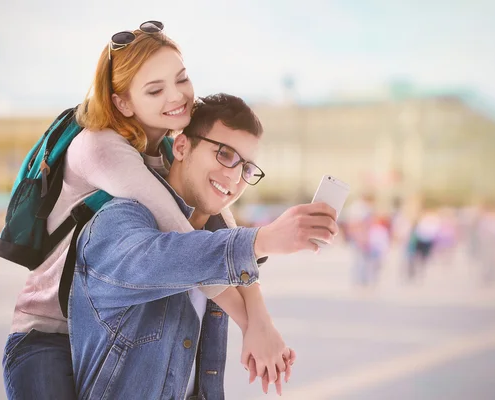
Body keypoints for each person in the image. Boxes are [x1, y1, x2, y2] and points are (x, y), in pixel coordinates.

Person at [2, 21, 320, 399]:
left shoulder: (162, 149)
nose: (177, 97)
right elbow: (180, 245)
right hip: (47, 332)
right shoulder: (103, 148)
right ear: (122, 102)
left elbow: (223, 229)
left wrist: (261, 318)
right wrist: (250, 321)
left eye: (181, 79)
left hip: (95, 326)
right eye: (155, 90)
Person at [69, 93, 339, 399]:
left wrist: (260, 323)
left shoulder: (215, 237)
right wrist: (265, 239)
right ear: (182, 146)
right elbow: (161, 259)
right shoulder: (117, 222)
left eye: (247, 168)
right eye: (224, 154)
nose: (234, 177)